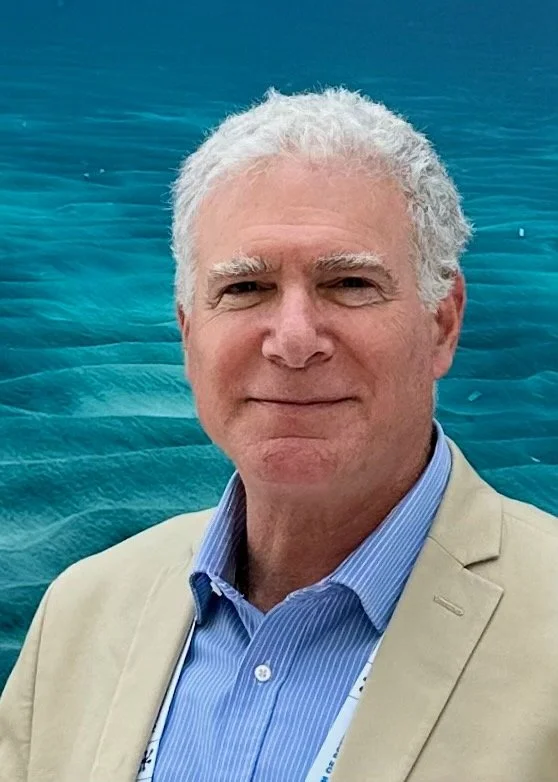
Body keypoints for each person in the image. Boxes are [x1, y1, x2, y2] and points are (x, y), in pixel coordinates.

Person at [1, 87, 557, 782]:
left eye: (349, 283)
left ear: (443, 323)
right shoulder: (80, 614)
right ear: (187, 334)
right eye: (245, 288)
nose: (293, 341)